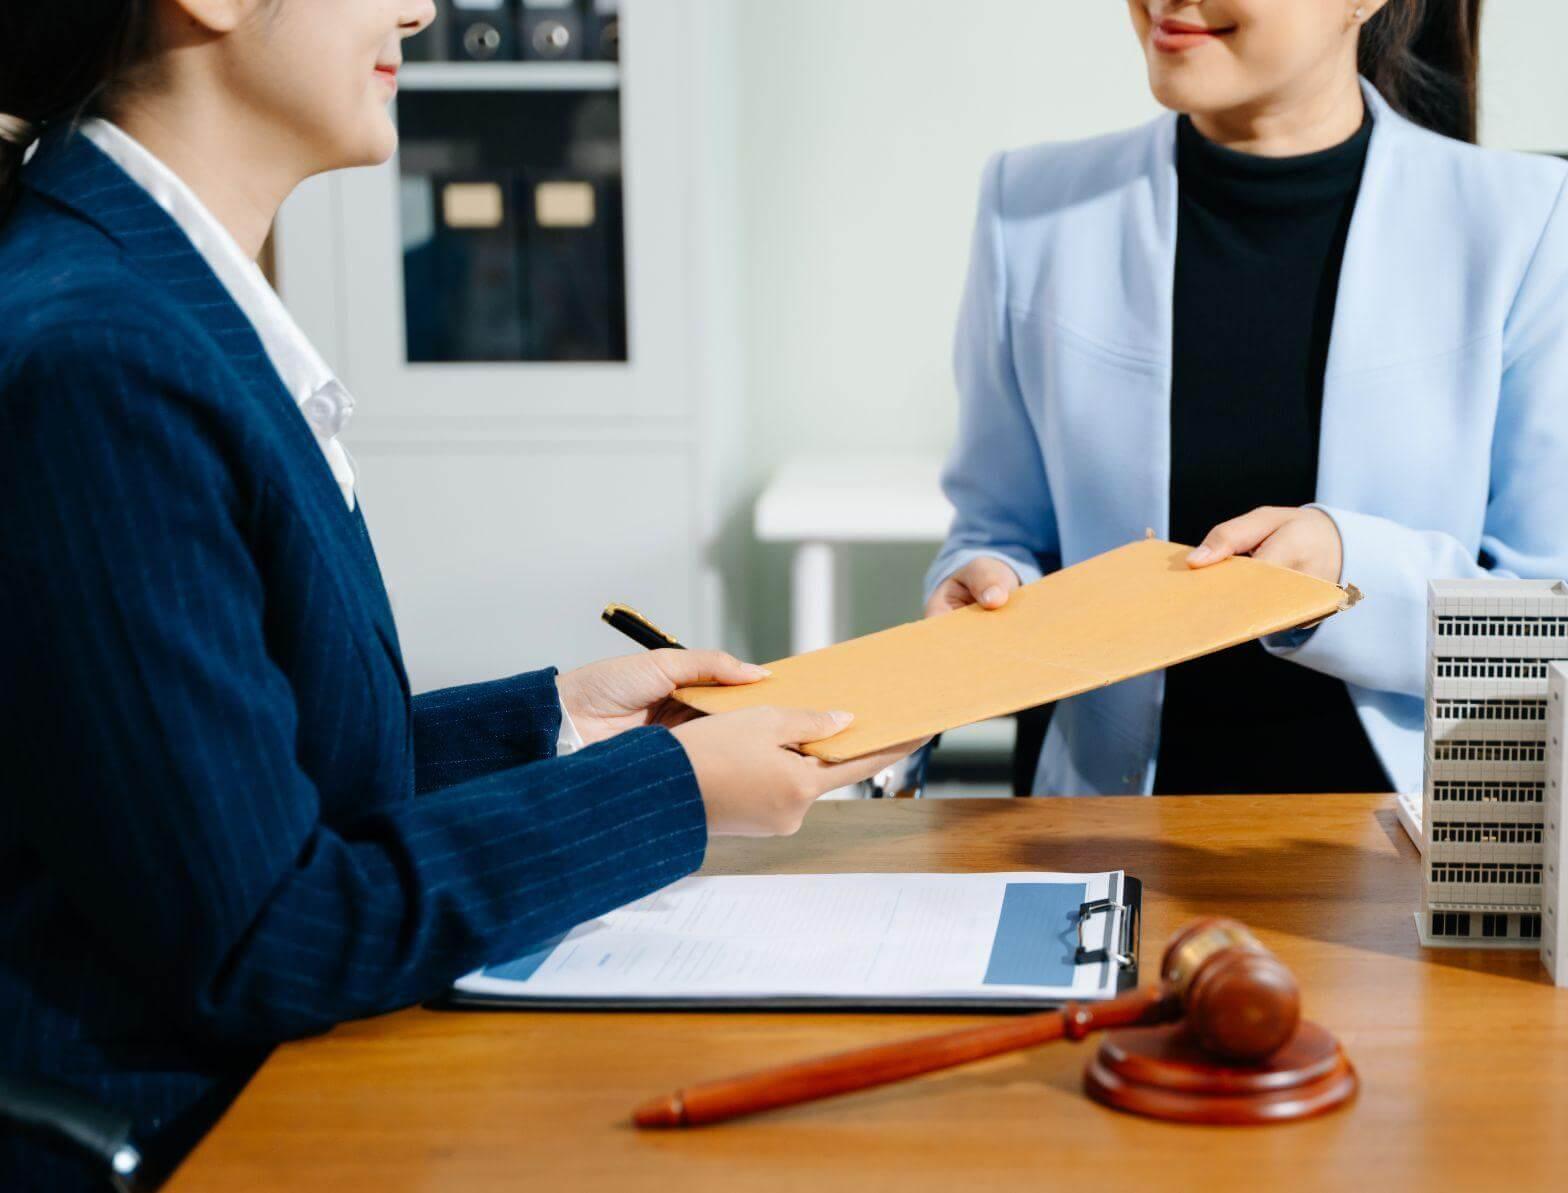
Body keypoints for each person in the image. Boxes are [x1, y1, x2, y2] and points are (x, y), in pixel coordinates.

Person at [0, 2, 916, 1186]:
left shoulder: (147, 296)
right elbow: (267, 934)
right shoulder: (104, 358)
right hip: (195, 1134)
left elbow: (239, 780)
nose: (423, 6)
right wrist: (676, 793)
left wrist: (565, 722)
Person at [924, 0, 1568, 796]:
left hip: (1404, 857)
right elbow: (1000, 530)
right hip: (1102, 842)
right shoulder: (1031, 207)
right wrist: (981, 583)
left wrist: (1349, 573)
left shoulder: (1528, 221)